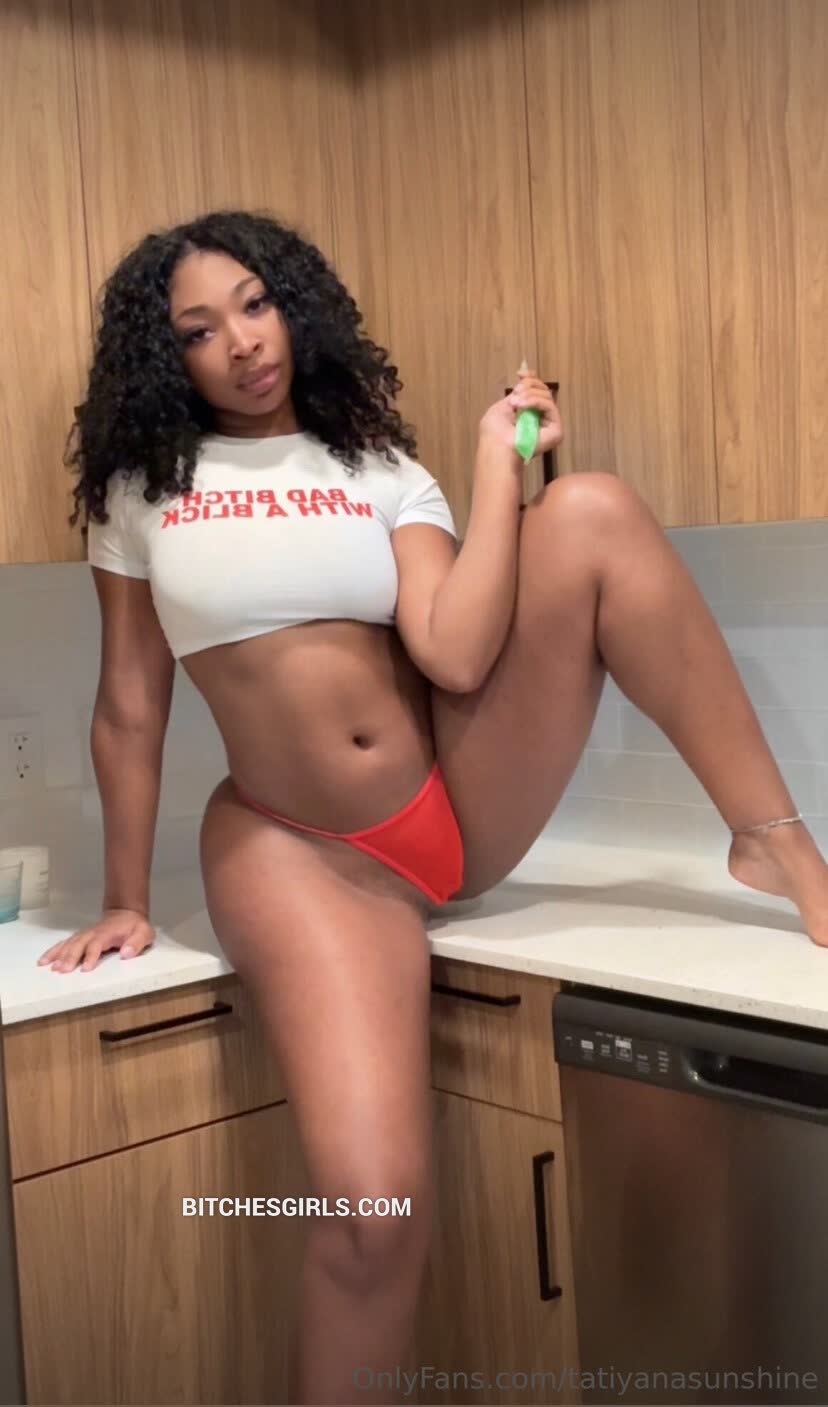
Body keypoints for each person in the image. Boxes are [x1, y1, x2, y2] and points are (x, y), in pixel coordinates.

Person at [38, 208, 828, 1402]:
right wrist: (124, 898)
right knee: (375, 1214)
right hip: (298, 847)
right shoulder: (143, 493)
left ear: (293, 308)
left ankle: (774, 844)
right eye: (198, 330)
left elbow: (455, 654)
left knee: (593, 510)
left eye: (255, 305)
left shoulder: (379, 468)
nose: (241, 342)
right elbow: (129, 707)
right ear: (167, 359)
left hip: (449, 802)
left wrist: (497, 464)